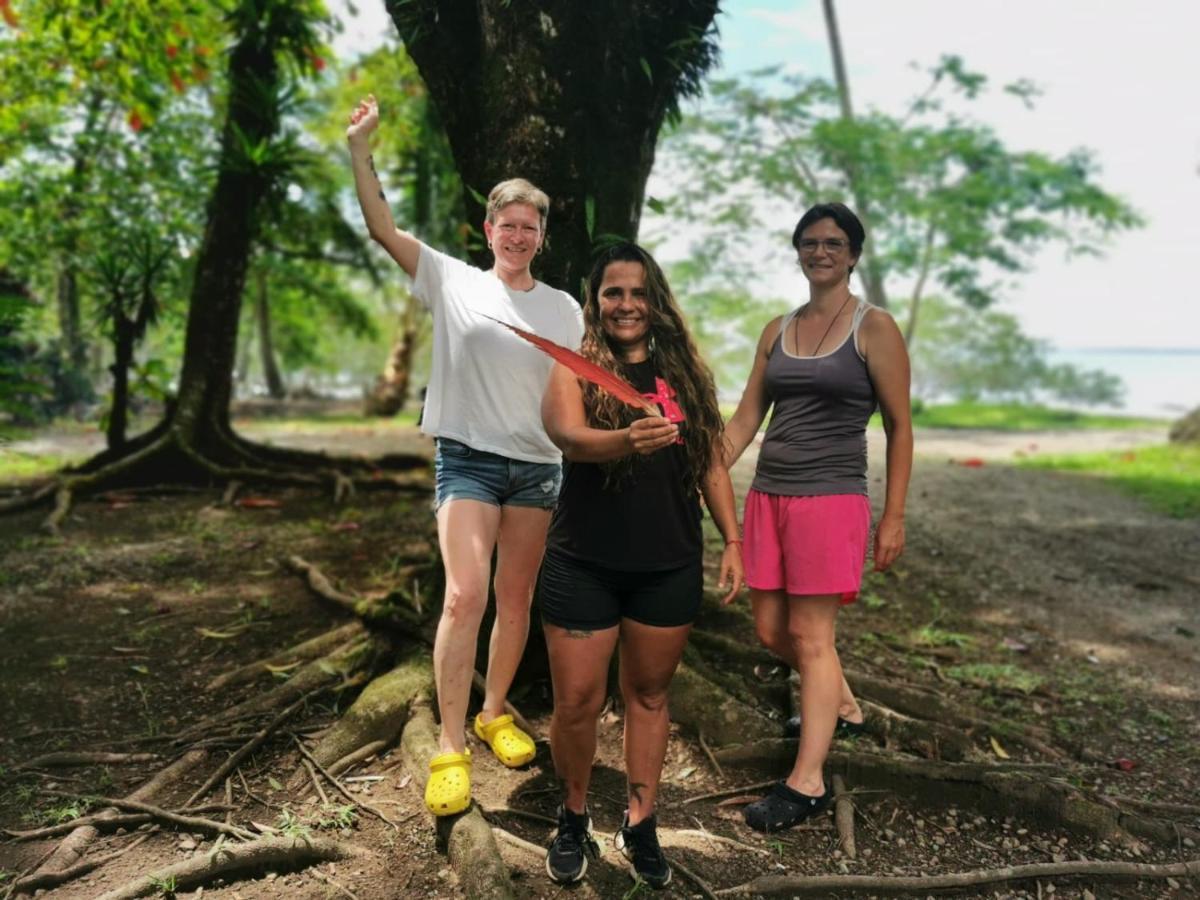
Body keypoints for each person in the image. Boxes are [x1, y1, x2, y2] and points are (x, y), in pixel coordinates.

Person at [347, 95, 584, 816]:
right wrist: (361, 151)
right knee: (463, 596)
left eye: (529, 226)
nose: (517, 235)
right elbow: (383, 227)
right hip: (470, 461)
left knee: (515, 603)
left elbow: (575, 397)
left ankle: (494, 711)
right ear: (489, 230)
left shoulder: (566, 309)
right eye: (507, 224)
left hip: (539, 468)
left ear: (542, 236)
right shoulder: (453, 280)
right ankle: (450, 745)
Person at [537, 242, 744, 887]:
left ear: (655, 300)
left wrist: (733, 540)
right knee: (576, 702)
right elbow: (567, 437)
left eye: (637, 292)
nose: (626, 305)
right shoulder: (572, 366)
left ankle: (641, 822)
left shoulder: (682, 373)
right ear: (595, 301)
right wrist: (625, 439)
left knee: (650, 696)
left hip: (668, 563)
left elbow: (709, 460)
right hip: (583, 564)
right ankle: (573, 820)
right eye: (612, 293)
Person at [722, 202, 912, 832]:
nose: (821, 251)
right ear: (798, 250)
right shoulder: (777, 330)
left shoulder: (875, 327)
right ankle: (845, 704)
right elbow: (748, 417)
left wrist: (894, 516)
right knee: (773, 632)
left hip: (831, 499)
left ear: (854, 254)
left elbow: (900, 427)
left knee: (810, 637)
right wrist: (706, 464)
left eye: (834, 242)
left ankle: (806, 783)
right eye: (810, 241)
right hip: (769, 497)